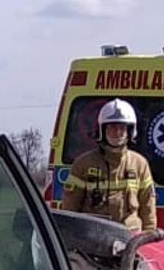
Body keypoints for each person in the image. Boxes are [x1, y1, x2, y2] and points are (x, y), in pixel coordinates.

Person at [61, 98, 157, 232]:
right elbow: (70, 208)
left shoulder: (139, 164)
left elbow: (148, 209)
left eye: (122, 127)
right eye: (112, 127)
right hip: (93, 236)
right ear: (102, 130)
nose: (117, 132)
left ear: (130, 131)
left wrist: (149, 237)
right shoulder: (83, 164)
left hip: (130, 237)